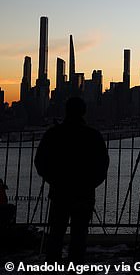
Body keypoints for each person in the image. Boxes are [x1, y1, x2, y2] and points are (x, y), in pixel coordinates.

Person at [35, 97, 109, 263]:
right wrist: (90, 184)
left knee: (55, 234)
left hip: (59, 192)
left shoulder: (53, 134)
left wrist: (53, 180)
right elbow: (103, 165)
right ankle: (76, 266)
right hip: (84, 194)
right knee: (79, 236)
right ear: (84, 112)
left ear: (66, 111)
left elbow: (40, 161)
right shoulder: (93, 135)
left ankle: (53, 265)